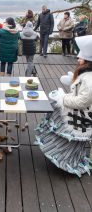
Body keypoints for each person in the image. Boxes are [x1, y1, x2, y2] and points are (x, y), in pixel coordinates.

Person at [35, 35, 92, 177]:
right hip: (79, 115)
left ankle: (68, 161)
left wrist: (62, 98)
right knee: (71, 141)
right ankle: (64, 158)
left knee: (71, 141)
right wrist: (72, 83)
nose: (78, 59)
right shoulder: (86, 75)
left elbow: (82, 102)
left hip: (81, 117)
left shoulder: (89, 79)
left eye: (81, 58)